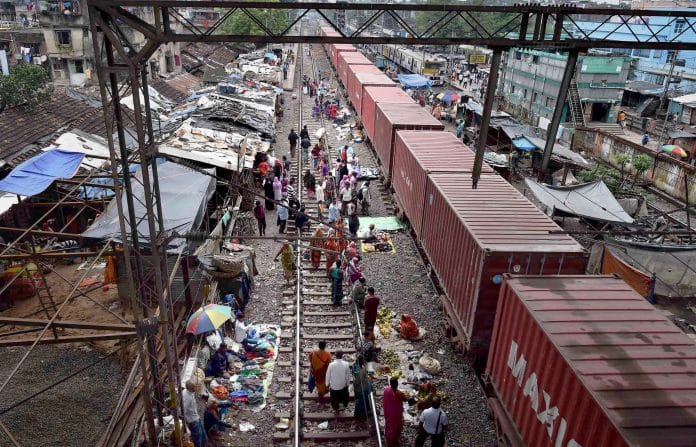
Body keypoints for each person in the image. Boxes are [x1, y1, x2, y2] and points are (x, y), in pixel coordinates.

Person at [383, 377, 407, 446]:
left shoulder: (386, 390)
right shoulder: (399, 393)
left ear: (390, 384)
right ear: (397, 384)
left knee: (389, 424)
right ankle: (394, 440)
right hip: (396, 413)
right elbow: (405, 399)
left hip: (388, 411)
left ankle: (389, 438)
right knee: (397, 425)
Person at [183, 380, 207, 447]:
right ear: (189, 388)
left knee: (204, 437)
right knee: (198, 439)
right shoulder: (187, 397)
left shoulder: (190, 392)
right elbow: (183, 411)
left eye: (195, 387)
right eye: (193, 388)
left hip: (196, 417)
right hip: (193, 421)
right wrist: (186, 424)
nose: (195, 389)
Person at [352, 354, 371, 419]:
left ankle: (360, 413)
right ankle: (361, 414)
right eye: (363, 360)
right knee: (362, 401)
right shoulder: (361, 370)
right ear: (361, 361)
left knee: (359, 401)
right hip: (361, 388)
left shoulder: (354, 366)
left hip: (358, 388)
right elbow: (358, 380)